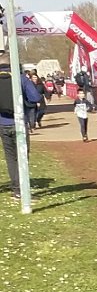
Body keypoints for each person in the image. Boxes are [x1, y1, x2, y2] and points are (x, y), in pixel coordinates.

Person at [1, 52, 43, 199]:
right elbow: (35, 97)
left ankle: (16, 189)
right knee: (22, 156)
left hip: (2, 123)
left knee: (10, 157)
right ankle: (23, 190)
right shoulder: (20, 78)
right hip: (19, 122)